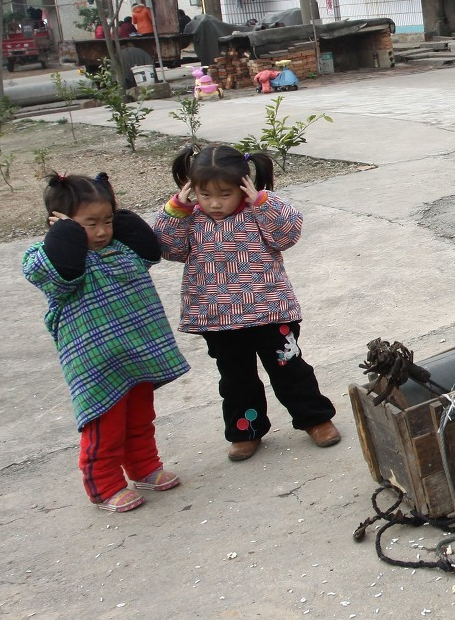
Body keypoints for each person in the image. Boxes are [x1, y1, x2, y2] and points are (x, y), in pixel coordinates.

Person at [153, 145, 341, 462]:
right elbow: (167, 249)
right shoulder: (190, 218)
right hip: (219, 319)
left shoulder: (260, 210)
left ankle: (315, 419)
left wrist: (262, 203)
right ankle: (246, 431)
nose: (214, 203)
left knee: (290, 370)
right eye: (204, 194)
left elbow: (287, 235)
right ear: (191, 190)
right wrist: (175, 210)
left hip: (269, 312)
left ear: (243, 186)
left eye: (224, 194)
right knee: (236, 380)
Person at [22, 173, 190, 513]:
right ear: (61, 225)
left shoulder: (121, 251)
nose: (102, 232)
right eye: (90, 224)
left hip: (135, 356)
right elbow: (61, 274)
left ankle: (145, 468)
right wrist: (64, 235)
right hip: (97, 366)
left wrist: (120, 217)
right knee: (105, 427)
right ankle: (104, 486)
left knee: (140, 419)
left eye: (108, 221)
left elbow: (148, 248)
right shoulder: (46, 259)